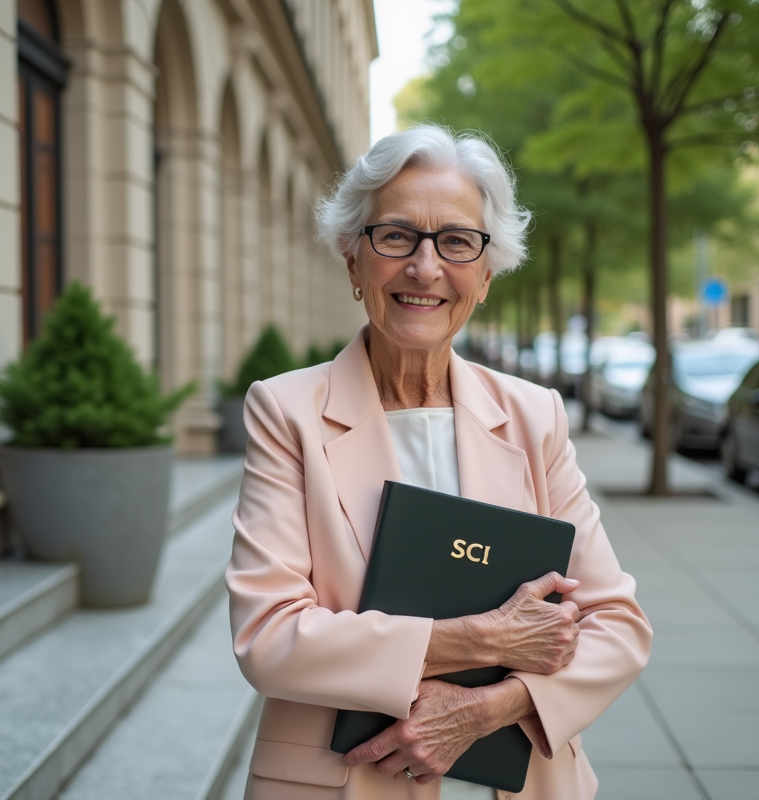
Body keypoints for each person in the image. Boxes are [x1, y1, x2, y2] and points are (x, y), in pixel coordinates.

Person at [224, 125, 651, 800]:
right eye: (396, 236)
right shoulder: (287, 412)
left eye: (456, 242)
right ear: (353, 260)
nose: (425, 268)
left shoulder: (534, 415)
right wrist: (482, 639)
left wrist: (490, 708)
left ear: (485, 276)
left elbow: (617, 625)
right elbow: (269, 636)